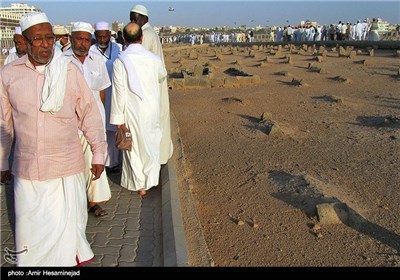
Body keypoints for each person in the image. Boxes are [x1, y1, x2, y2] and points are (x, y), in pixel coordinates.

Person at [0, 12, 106, 266]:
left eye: (49, 38)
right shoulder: (8, 75)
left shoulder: (68, 71)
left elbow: (90, 114)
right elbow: (3, 124)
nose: (46, 44)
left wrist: (99, 153)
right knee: (30, 232)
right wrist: (3, 162)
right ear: (24, 42)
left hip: (65, 169)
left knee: (67, 235)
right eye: (38, 39)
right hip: (27, 171)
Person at [110, 22, 166, 196]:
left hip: (131, 110)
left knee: (133, 149)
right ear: (142, 37)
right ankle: (150, 181)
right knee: (151, 144)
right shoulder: (154, 59)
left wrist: (118, 119)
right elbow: (161, 76)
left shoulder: (121, 61)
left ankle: (139, 184)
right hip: (151, 109)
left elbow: (118, 92)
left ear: (124, 38)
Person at [65, 21, 111, 217]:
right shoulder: (61, 61)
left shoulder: (97, 60)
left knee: (94, 158)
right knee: (73, 163)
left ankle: (93, 201)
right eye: (78, 39)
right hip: (70, 122)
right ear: (71, 39)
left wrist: (98, 115)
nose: (82, 43)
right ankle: (73, 201)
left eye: (86, 39)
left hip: (93, 120)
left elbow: (101, 91)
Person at [130, 4, 173, 165]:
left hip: (151, 86)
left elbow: (138, 62)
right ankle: (160, 157)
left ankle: (157, 160)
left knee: (154, 123)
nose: (133, 21)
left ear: (145, 18)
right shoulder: (149, 32)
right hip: (155, 84)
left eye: (136, 18)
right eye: (131, 19)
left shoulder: (146, 35)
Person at [90, 21, 122, 175]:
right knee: (100, 129)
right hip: (97, 95)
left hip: (114, 94)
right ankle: (100, 160)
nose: (102, 39)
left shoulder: (118, 49)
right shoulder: (90, 51)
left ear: (109, 35)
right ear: (95, 36)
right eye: (99, 37)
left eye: (105, 36)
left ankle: (114, 162)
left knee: (113, 129)